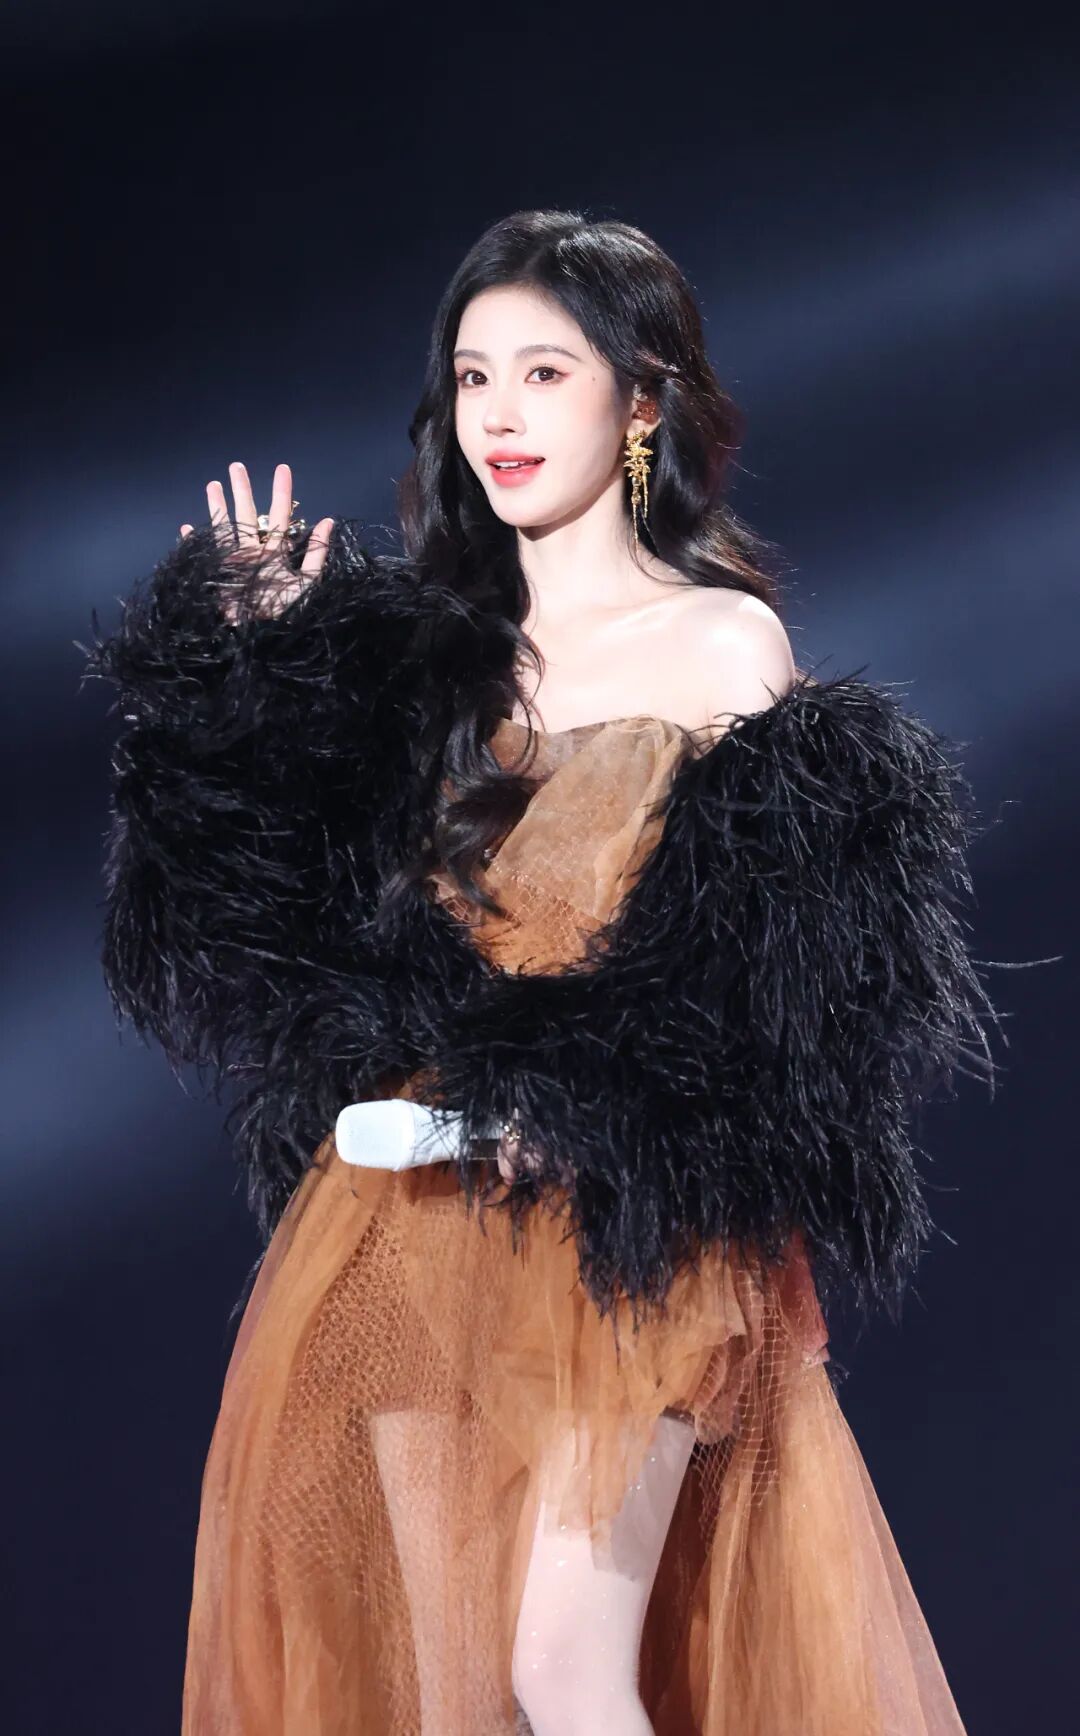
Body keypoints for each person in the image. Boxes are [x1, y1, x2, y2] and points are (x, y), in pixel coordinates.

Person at [82, 208, 1006, 1734]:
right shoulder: (419, 665)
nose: (499, 414)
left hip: (628, 1229)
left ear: (640, 402)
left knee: (563, 1672)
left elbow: (768, 1002)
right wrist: (255, 683)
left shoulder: (721, 647)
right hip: (413, 1226)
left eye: (544, 372)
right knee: (457, 1698)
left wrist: (589, 1103)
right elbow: (280, 941)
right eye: (473, 376)